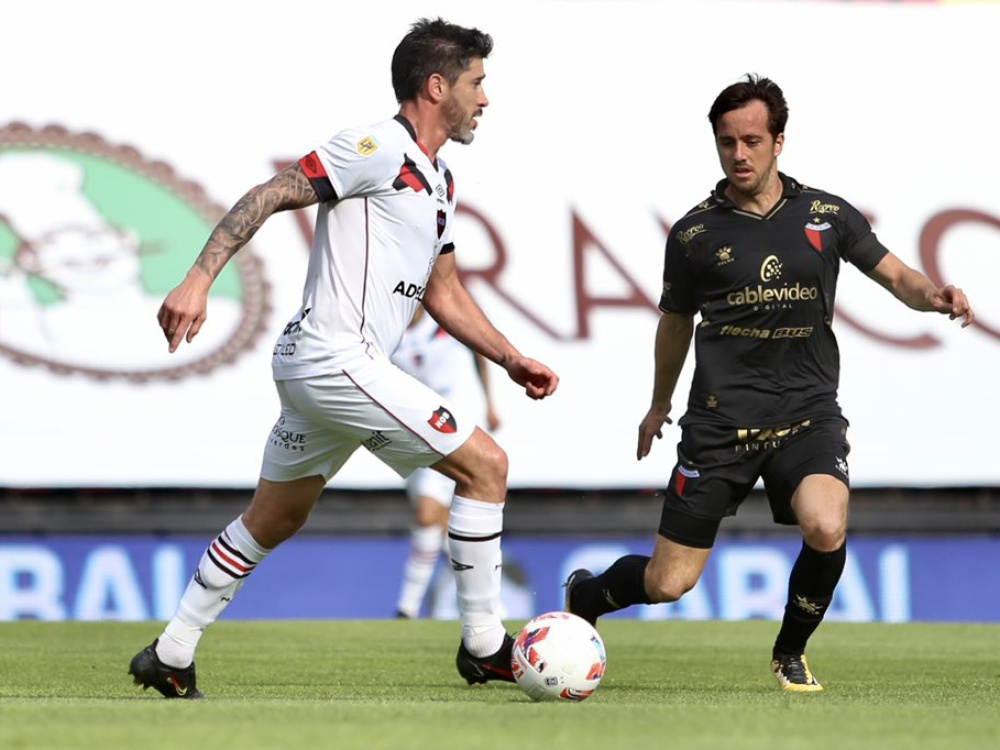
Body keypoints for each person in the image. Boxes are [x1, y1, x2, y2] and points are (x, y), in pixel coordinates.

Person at [128, 17, 558, 699]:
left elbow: (444, 292)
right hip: (336, 359)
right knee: (486, 467)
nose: (485, 98)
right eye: (476, 82)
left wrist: (510, 358)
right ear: (437, 85)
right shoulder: (377, 147)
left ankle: (171, 652)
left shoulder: (439, 180)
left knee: (275, 518)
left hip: (324, 369)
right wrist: (199, 278)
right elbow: (271, 193)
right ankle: (484, 646)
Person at [564, 74, 973, 693]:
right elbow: (675, 324)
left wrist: (934, 295)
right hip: (719, 423)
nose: (739, 154)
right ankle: (588, 595)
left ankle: (790, 651)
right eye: (726, 142)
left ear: (779, 141)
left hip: (808, 416)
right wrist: (657, 404)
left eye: (752, 140)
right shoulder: (694, 234)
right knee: (668, 583)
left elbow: (896, 276)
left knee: (827, 525)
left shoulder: (827, 215)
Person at [391, 304, 502, 620]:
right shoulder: (389, 333)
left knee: (427, 515)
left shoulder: (444, 322)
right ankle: (490, 600)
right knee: (440, 529)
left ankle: (407, 608)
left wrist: (490, 402)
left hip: (451, 426)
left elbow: (479, 350)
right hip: (413, 429)